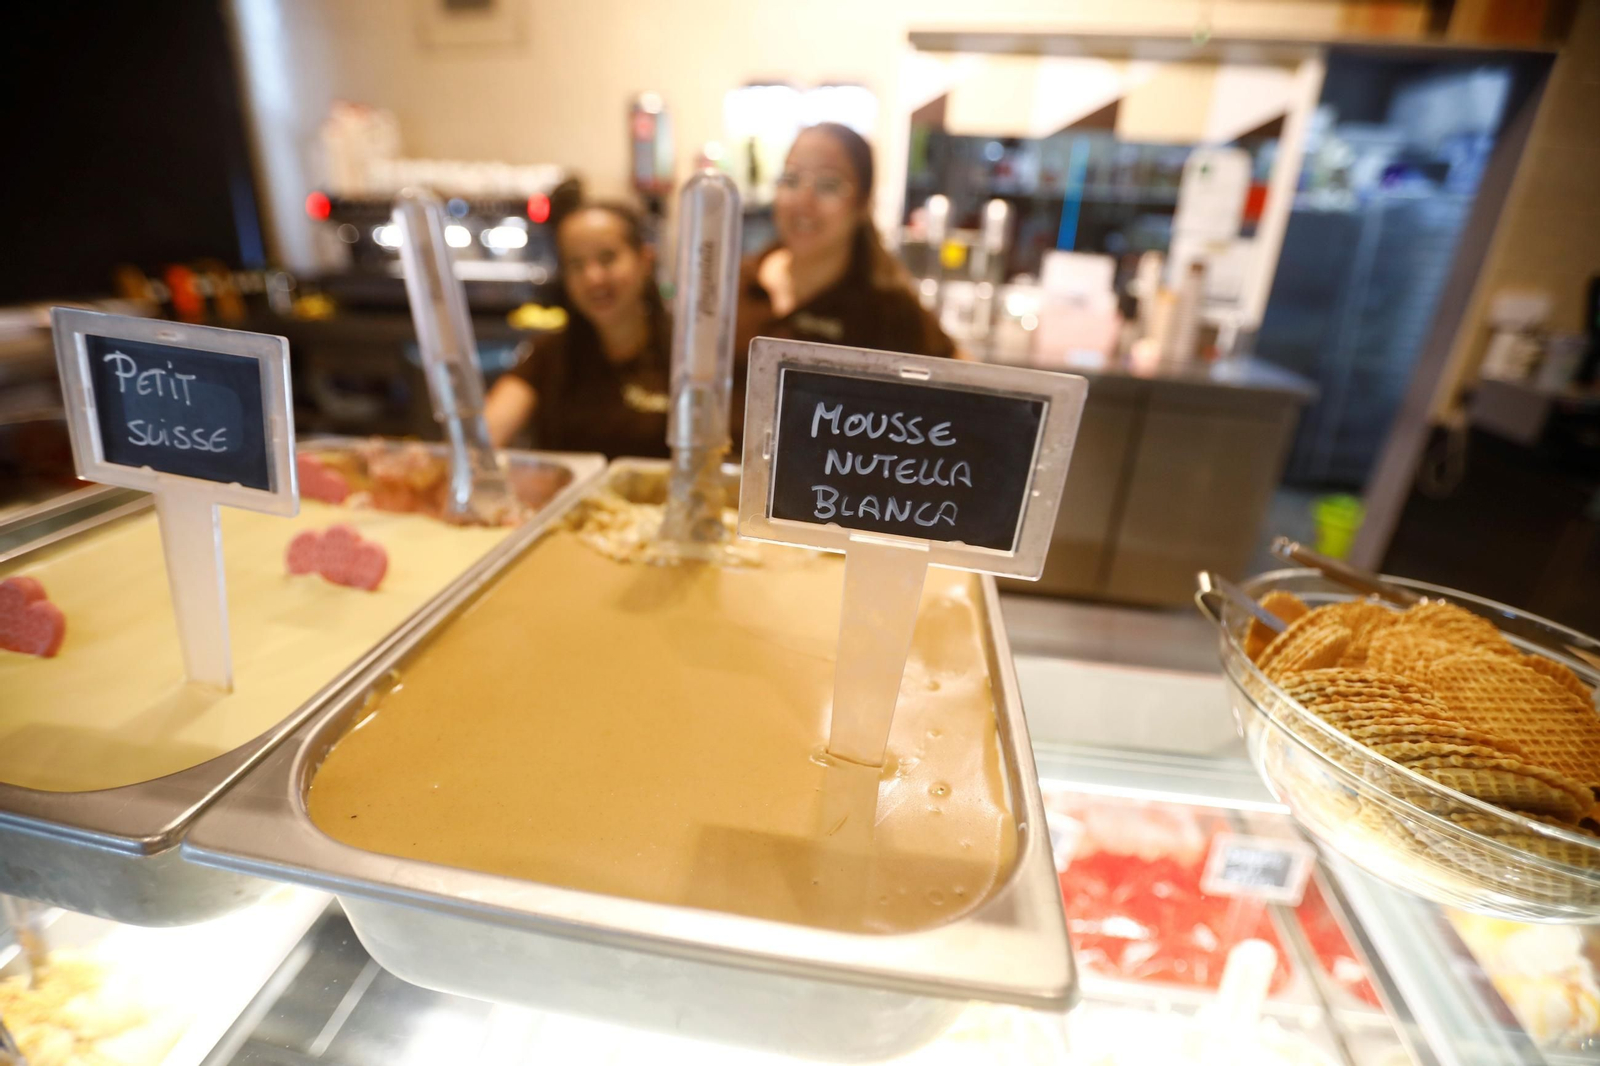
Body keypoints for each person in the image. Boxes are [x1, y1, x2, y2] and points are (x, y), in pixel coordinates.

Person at [735, 122, 956, 362]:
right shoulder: (734, 283)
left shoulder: (889, 312)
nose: (803, 200)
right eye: (791, 179)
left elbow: (962, 376)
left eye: (828, 184)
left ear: (862, 203)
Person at [485, 200, 671, 458]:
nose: (593, 278)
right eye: (576, 264)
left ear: (644, 260)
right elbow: (485, 437)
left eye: (607, 258)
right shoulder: (548, 355)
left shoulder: (686, 352)